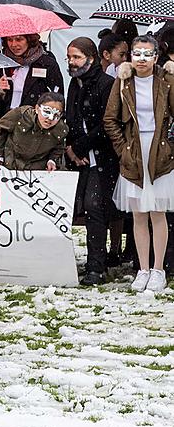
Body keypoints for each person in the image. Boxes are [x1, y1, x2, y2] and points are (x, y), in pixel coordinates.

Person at [104, 35, 174, 293]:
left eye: (147, 54)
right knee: (138, 215)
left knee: (158, 213)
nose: (141, 59)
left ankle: (158, 269)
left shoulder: (166, 81)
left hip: (160, 153)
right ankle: (142, 268)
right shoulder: (123, 82)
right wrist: (123, 150)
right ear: (130, 57)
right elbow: (110, 119)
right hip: (134, 153)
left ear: (156, 57)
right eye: (137, 53)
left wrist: (170, 146)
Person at [65, 37, 118, 286]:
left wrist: (79, 146)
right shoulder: (74, 83)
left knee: (95, 207)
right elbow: (72, 118)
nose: (72, 62)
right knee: (83, 208)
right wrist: (72, 149)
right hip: (81, 156)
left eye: (76, 57)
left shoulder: (107, 84)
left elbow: (106, 125)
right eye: (69, 58)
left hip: (104, 156)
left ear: (91, 58)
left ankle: (97, 265)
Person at [0, 91, 68, 171]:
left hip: (38, 170)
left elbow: (59, 146)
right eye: (47, 112)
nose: (50, 118)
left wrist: (52, 160)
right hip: (11, 165)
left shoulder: (61, 129)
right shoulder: (21, 115)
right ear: (37, 109)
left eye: (56, 115)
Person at [0, 34, 64, 114]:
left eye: (19, 39)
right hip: (8, 118)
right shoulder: (3, 62)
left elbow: (57, 96)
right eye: (10, 40)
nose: (13, 44)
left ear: (29, 40)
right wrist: (0, 92)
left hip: (35, 119)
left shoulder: (47, 63)